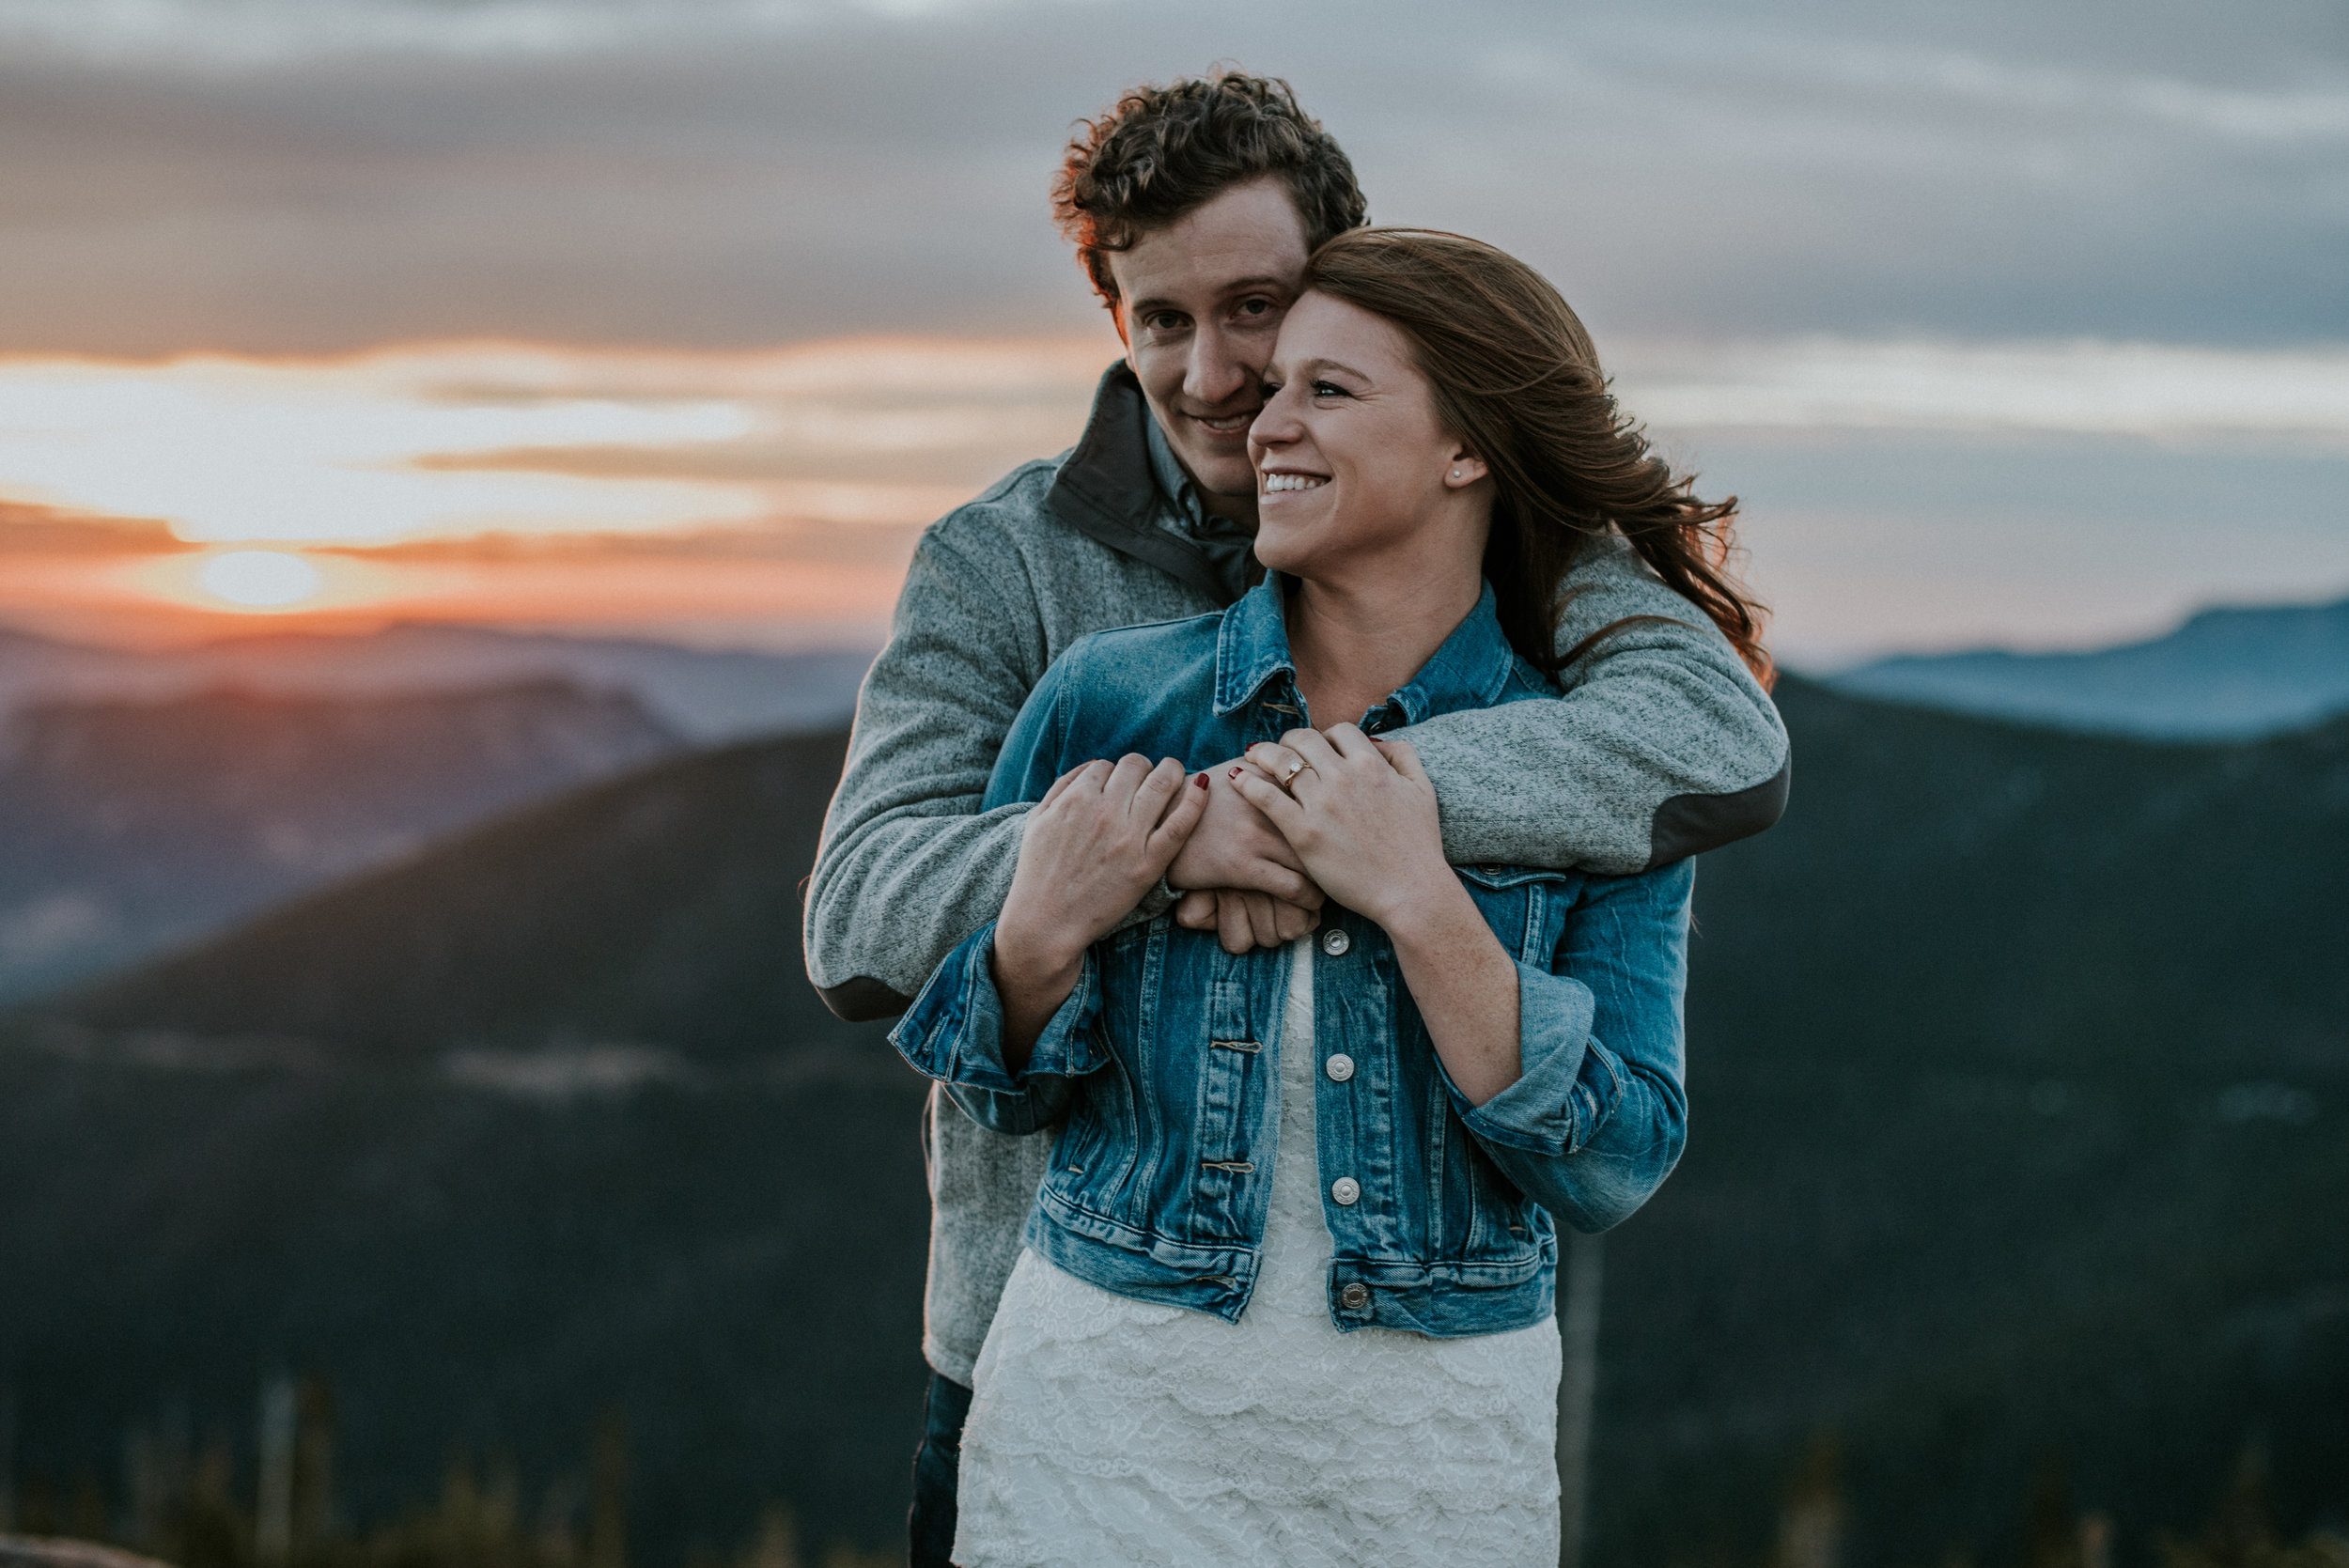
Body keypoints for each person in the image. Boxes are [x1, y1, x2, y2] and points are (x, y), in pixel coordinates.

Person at [800, 72, 1789, 1566]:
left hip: (1406, 1404)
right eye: (1161, 322)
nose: (1215, 376)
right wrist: (1171, 836)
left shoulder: (1519, 546)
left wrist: (1348, 814)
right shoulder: (1008, 568)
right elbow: (863, 917)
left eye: (1256, 308)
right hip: (1039, 1347)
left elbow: (1715, 742)